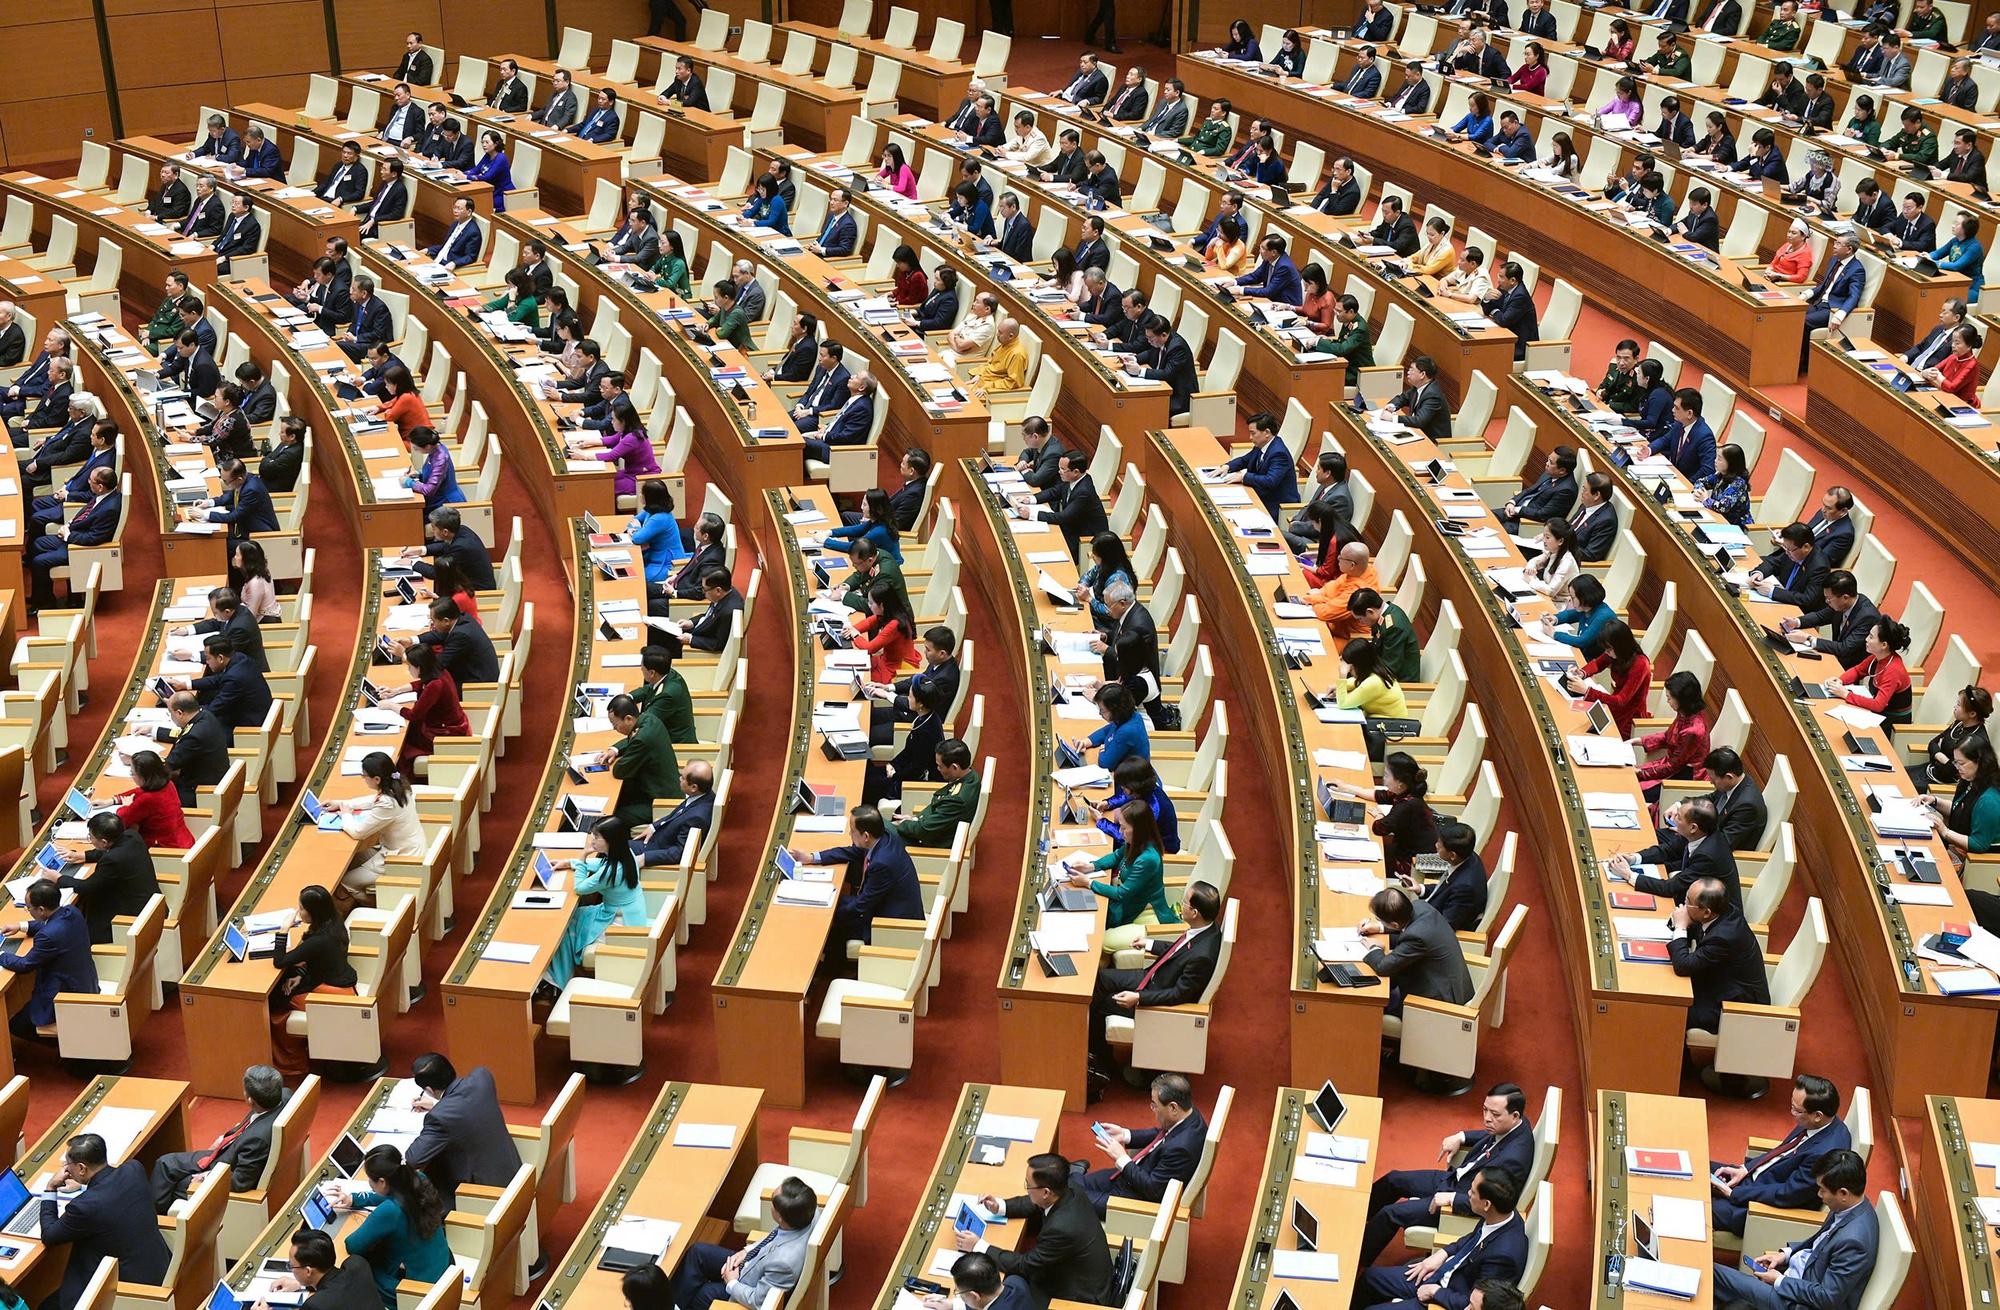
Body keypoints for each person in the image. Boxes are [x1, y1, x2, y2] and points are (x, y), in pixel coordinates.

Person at [1360, 1083, 1536, 1267]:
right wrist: (1462, 1136)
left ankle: (1358, 1257)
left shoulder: (1512, 1160)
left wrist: (1452, 1199)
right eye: (1485, 1110)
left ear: (1515, 1116)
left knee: (1391, 1213)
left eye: (1495, 1115)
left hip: (1461, 1201)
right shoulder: (1518, 1124)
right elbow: (1492, 1135)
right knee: (1393, 1179)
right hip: (1456, 1179)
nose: (1486, 1119)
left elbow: (1491, 1204)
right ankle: (1359, 1217)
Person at [1710, 1151, 1878, 1310]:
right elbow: (1818, 1243)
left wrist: (1779, 1281)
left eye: (1823, 1190)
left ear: (1843, 1193)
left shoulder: (1854, 1241)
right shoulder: (1850, 1205)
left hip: (1796, 1302)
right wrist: (1785, 1255)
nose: (1819, 1194)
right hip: (1795, 1278)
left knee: (1712, 1272)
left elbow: (1827, 1297)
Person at [1355, 1170, 1527, 1310]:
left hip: (1445, 1297)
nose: (1467, 1193)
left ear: (1487, 1204)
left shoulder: (1504, 1257)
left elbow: (1475, 1303)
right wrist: (1443, 1254)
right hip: (1443, 1272)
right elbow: (1472, 1239)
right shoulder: (1503, 1215)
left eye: (1473, 1192)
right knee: (1370, 1278)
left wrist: (1435, 1292)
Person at [38, 1132, 170, 1307]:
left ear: (82, 1168)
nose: (66, 1168)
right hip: (157, 1264)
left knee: (46, 1305)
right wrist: (86, 1183)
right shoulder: (134, 1169)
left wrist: (51, 1188)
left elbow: (49, 1235)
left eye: (68, 1165)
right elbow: (111, 1183)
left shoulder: (84, 1207)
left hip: (128, 1284)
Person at [1711, 1074, 1852, 1237]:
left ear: (1817, 1115)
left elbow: (1787, 1194)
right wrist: (1744, 1169)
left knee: (1700, 1204)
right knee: (1698, 1167)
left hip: (1760, 1208)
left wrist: (1734, 1194)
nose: (1792, 1112)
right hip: (1756, 1180)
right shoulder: (1822, 1122)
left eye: (1796, 1110)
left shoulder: (1823, 1154)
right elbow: (1780, 1151)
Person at [149, 1065, 287, 1211]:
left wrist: (207, 1176)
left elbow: (240, 1182)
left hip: (224, 1167)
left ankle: (159, 1220)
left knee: (175, 1184)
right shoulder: (283, 1095)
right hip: (227, 1150)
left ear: (250, 1100)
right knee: (165, 1163)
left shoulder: (257, 1140)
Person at [329, 1145, 451, 1308]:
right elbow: (397, 1194)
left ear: (382, 1181)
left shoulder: (390, 1211)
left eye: (370, 1180)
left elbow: (353, 1245)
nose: (369, 1183)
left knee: (357, 1269)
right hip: (443, 1267)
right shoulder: (419, 1179)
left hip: (416, 1290)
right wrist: (356, 1199)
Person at [671, 1176, 816, 1308]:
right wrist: (746, 1251)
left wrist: (732, 1282)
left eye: (772, 1202)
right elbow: (777, 1235)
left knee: (702, 1294)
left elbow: (759, 1302)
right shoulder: (806, 1210)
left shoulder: (784, 1264)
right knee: (697, 1252)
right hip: (752, 1263)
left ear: (780, 1218)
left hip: (746, 1288)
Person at [1060, 799, 1173, 955]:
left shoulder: (1148, 858)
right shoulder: (1136, 841)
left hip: (1142, 909)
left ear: (1138, 830)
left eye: (1123, 828)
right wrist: (1091, 866)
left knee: (1096, 938)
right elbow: (1116, 856)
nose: (1119, 832)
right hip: (1130, 901)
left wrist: (1088, 883)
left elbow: (1122, 894)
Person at [1671, 876, 1769, 1049]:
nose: (1684, 906)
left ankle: (1680, 1069)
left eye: (1688, 902)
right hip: (1718, 984)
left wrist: (1680, 927)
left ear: (1707, 912)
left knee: (1671, 1011)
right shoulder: (1723, 911)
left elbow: (1683, 966)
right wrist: (1680, 924)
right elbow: (1693, 930)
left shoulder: (1724, 937)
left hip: (1733, 1005)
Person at [0, 879, 95, 1040]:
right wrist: (21, 926)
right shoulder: (72, 912)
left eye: (28, 908)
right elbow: (51, 924)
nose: (28, 911)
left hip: (64, 996)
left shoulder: (47, 936)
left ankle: (72, 1044)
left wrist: (2, 955)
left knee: (16, 1025)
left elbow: (25, 965)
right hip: (85, 982)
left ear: (41, 909)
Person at [331, 752, 424, 910]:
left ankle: (382, 908)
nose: (363, 777)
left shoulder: (388, 803)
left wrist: (346, 815)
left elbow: (358, 832)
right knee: (353, 859)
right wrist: (342, 803)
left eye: (364, 775)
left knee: (346, 882)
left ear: (377, 779)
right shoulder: (400, 784)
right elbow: (373, 801)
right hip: (408, 847)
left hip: (401, 859)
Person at [1560, 620, 1651, 740]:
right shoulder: (1616, 653)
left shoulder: (1640, 664)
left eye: (1609, 650)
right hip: (1612, 707)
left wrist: (1587, 691)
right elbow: (1598, 664)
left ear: (1621, 645)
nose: (1606, 653)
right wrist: (1581, 673)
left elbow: (1621, 701)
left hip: (1628, 719)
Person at [1921, 736, 2000, 862]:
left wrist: (1944, 831)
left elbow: (1979, 844)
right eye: (1955, 761)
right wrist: (1935, 801)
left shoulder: (1989, 800)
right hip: (1955, 846)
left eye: (1961, 763)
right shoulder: (1970, 780)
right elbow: (1961, 809)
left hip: (1971, 861)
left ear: (1979, 762)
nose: (1956, 767)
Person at [1822, 617, 1913, 725]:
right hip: (1877, 712)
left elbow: (1878, 705)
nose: (1866, 639)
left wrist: (1845, 694)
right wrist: (1840, 681)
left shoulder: (1893, 670)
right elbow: (1857, 671)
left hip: (1892, 721)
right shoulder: (1877, 657)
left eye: (1871, 637)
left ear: (1884, 645)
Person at [1912, 685, 1991, 790]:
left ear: (1972, 714)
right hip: (1930, 770)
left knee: (1899, 785)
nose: (1954, 707)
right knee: (1894, 774)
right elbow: (1932, 744)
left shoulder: (1975, 740)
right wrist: (1944, 759)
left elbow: (1953, 772)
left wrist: (1939, 755)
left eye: (1958, 705)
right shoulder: (1959, 723)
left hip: (1941, 786)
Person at [640, 762, 716, 868]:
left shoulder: (697, 817)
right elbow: (676, 815)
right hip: (659, 838)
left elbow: (679, 853)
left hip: (655, 851)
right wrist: (654, 827)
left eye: (683, 778)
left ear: (694, 787)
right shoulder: (704, 796)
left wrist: (644, 858)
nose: (679, 779)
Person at [117, 751, 194, 849]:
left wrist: (126, 805)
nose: (131, 776)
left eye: (132, 773)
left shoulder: (148, 799)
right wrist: (114, 799)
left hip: (167, 852)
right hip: (185, 841)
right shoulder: (168, 784)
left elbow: (122, 819)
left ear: (144, 777)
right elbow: (140, 791)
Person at [1500, 445, 1578, 535]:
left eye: (1551, 462)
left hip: (1525, 523)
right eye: (1548, 459)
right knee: (1485, 517)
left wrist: (1517, 510)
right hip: (1515, 510)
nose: (1546, 463)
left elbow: (1543, 514)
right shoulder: (1550, 473)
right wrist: (1512, 502)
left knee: (1495, 533)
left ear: (1562, 471)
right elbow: (1529, 490)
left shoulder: (1566, 491)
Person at [1542, 574, 1614, 659]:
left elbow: (1582, 641)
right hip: (1579, 653)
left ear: (1584, 597)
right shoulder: (1587, 607)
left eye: (1573, 598)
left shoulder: (1603, 616)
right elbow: (1570, 615)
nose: (1571, 601)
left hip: (1590, 661)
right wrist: (1555, 618)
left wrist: (1554, 634)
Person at [1380, 355, 1450, 440]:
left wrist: (1392, 418)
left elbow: (1419, 421)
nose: (1408, 372)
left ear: (1422, 374)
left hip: (1433, 441)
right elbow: (1402, 398)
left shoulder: (1433, 395)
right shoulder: (1418, 386)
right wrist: (1392, 406)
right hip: (1418, 433)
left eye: (1412, 369)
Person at [1335, 638, 1409, 719]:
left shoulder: (1373, 683)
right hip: (1378, 720)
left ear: (1359, 665)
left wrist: (1342, 677)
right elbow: (1357, 681)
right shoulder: (1376, 670)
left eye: (1351, 669)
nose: (1349, 672)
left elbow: (1343, 703)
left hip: (1390, 726)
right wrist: (1338, 687)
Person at [1086, 682, 1149, 771]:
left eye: (1102, 710)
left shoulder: (1127, 731)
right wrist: (1087, 741)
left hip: (1131, 780)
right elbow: (1106, 730)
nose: (1100, 713)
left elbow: (1105, 764)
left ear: (1115, 709)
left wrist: (1103, 750)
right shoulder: (1131, 716)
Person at [1933, 214, 1987, 304]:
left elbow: (1956, 266)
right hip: (1957, 282)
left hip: (1971, 287)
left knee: (1944, 301)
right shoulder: (1955, 240)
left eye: (1957, 224)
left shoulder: (1975, 247)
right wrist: (1926, 256)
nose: (1953, 225)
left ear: (1966, 229)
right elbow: (1938, 253)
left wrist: (1935, 263)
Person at [1700, 443, 1755, 527]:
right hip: (1718, 519)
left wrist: (1705, 499)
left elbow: (1723, 507)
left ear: (1731, 463)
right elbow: (1700, 482)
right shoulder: (1720, 474)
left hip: (1737, 526)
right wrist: (1698, 491)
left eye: (1719, 459)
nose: (1715, 460)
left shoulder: (1738, 483)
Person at [1524, 520, 1580, 599]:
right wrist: (1530, 569)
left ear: (1560, 541)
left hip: (1560, 604)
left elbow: (1551, 591)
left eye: (1547, 537)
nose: (1544, 540)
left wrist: (1531, 580)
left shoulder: (1567, 562)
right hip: (1546, 597)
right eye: (1543, 536)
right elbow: (1534, 561)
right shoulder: (1552, 551)